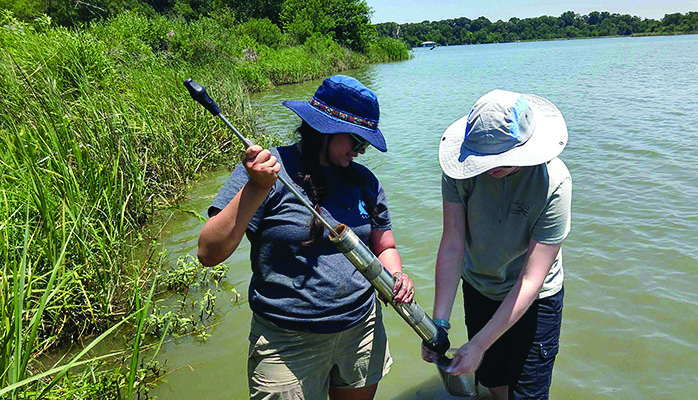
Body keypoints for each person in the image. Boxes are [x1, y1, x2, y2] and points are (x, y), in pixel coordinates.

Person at [197, 75, 415, 400]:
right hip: (287, 341)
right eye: (356, 141)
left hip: (361, 328)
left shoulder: (364, 181)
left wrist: (396, 274)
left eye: (365, 144)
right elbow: (208, 253)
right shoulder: (267, 171)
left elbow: (385, 245)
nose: (361, 151)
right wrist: (257, 188)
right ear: (323, 129)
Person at [421, 89, 572, 400]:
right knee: (493, 382)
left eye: (501, 160)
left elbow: (532, 277)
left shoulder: (554, 183)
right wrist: (438, 324)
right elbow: (452, 243)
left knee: (529, 392)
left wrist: (478, 344)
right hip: (480, 285)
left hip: (536, 297)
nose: (490, 167)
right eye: (483, 159)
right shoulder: (459, 174)